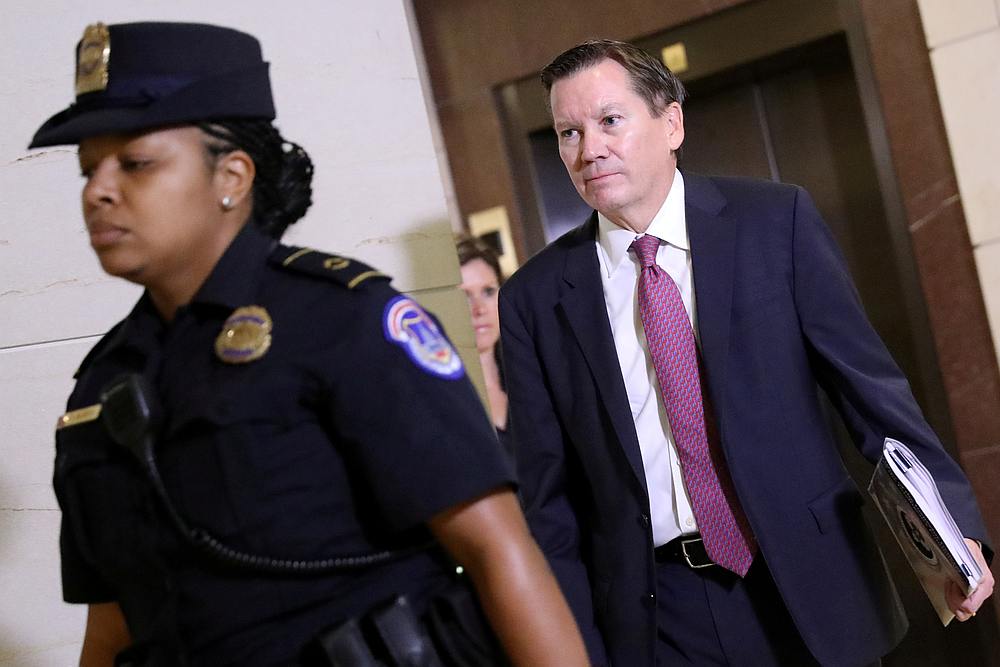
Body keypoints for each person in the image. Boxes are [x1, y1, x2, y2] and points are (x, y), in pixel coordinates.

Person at [35, 21, 588, 666]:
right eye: (87, 171)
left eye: (134, 164)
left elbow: (496, 549)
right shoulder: (103, 384)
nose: (98, 191)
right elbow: (114, 622)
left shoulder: (341, 323)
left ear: (232, 176)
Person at [498, 38, 995, 666]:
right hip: (657, 614)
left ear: (671, 121)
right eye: (567, 133)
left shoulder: (774, 222)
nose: (588, 149)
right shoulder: (535, 300)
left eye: (609, 121)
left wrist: (953, 532)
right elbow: (550, 502)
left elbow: (870, 392)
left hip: (805, 577)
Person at [455, 235, 510, 455]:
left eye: (488, 292)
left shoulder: (528, 372)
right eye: (464, 296)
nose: (479, 309)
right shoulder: (446, 393)